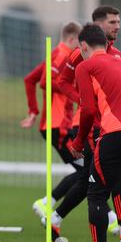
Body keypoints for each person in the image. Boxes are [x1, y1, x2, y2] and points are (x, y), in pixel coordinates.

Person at [53, 6, 121, 242]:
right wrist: (83, 100)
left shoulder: (118, 56)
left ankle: (55, 216)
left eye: (119, 21)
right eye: (112, 22)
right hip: (92, 127)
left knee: (88, 179)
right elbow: (62, 81)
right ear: (98, 25)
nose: (117, 26)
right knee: (111, 175)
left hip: (114, 127)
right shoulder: (80, 55)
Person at [72, 24, 121, 242]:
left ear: (84, 46)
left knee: (97, 195)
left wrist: (78, 142)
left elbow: (88, 110)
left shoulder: (85, 66)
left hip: (115, 135)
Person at [21, 22, 84, 223]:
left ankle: (111, 219)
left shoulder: (55, 55)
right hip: (59, 126)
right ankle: (47, 202)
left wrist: (33, 111)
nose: (82, 48)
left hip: (56, 125)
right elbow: (44, 82)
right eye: (81, 43)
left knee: (87, 170)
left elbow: (29, 79)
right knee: (87, 171)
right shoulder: (62, 55)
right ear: (73, 39)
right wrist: (77, 94)